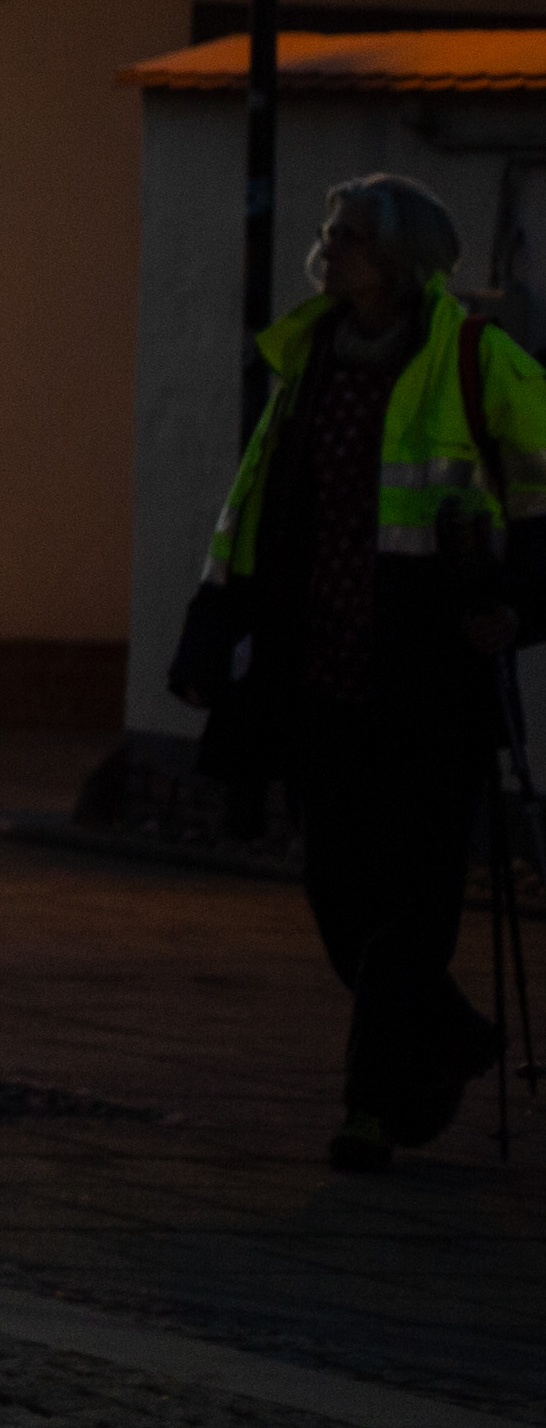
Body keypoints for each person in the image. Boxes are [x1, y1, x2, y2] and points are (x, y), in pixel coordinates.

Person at [177, 173, 533, 1171]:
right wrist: (210, 637)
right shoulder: (313, 365)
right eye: (331, 233)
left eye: (350, 237)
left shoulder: (477, 360)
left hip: (431, 683)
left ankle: (374, 1112)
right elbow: (251, 508)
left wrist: (516, 607)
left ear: (402, 260)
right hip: (322, 676)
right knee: (338, 895)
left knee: (410, 906)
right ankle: (451, 1036)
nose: (328, 248)